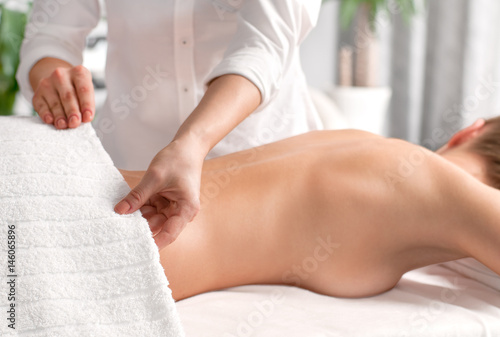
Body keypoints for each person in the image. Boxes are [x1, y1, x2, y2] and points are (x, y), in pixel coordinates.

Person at [16, 0, 323, 249]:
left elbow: (266, 47)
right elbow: (51, 33)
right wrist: (54, 77)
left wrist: (191, 144)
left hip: (262, 166)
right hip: (132, 172)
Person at [119, 117, 500, 301]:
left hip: (112, 192)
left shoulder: (366, 143)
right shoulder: (440, 187)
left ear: (469, 131)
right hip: (124, 243)